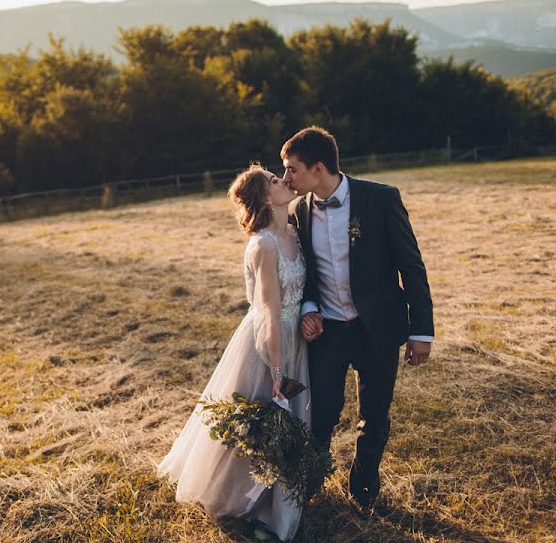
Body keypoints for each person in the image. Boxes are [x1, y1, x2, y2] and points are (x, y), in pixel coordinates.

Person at [281, 126, 434, 511]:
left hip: (378, 330)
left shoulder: (381, 199)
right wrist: (310, 307)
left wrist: (422, 332)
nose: (286, 178)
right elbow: (307, 273)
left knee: (375, 416)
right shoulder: (299, 211)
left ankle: (364, 486)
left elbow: (411, 267)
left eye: (292, 169)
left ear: (318, 168)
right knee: (322, 414)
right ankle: (311, 484)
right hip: (328, 332)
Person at [157, 163, 309, 542]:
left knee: (287, 422)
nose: (284, 180)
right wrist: (278, 369)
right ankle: (244, 499)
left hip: (296, 337)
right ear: (262, 197)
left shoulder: (293, 232)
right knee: (258, 418)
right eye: (274, 180)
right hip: (267, 342)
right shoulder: (263, 245)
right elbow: (270, 312)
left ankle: (281, 498)